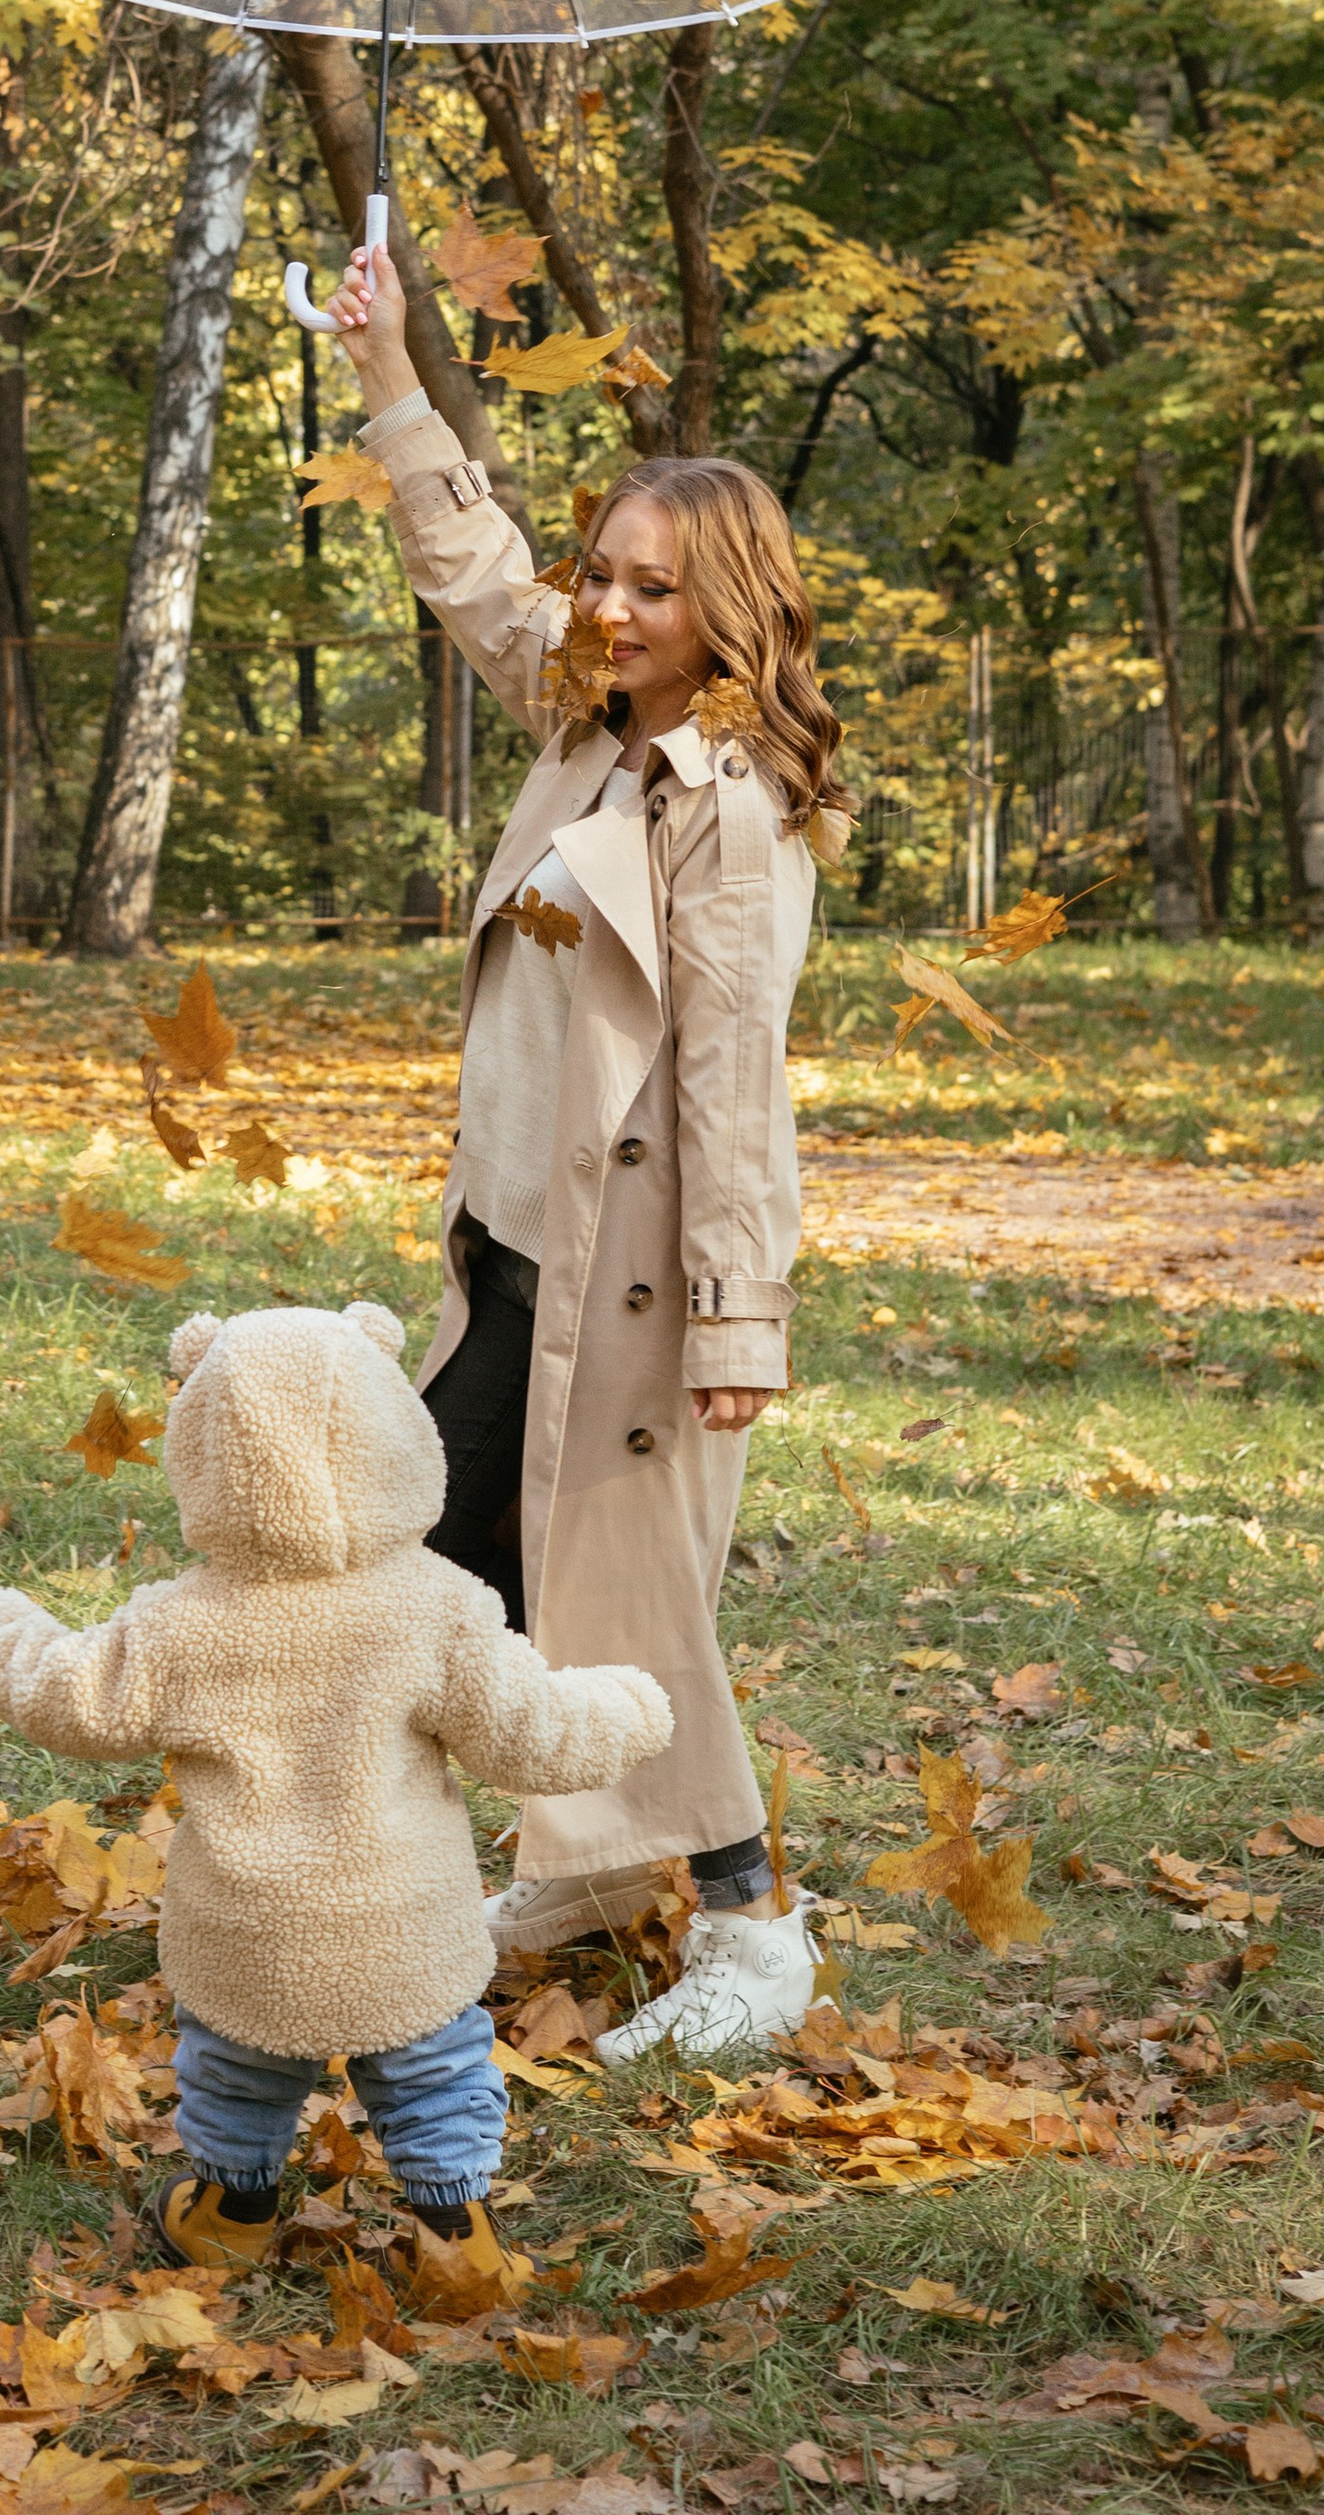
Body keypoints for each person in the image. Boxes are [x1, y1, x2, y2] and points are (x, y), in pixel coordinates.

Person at [323, 238, 852, 2063]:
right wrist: (395, 364)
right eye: (603, 572)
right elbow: (476, 572)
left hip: (635, 1279)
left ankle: (748, 1926)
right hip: (510, 1246)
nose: (610, 608)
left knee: (612, 1601)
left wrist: (733, 1318)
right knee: (472, 1565)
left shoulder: (730, 807)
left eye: (653, 588)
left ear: (730, 614)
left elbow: (732, 1076)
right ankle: (574, 1867)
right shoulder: (591, 726)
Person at [0, 1297, 672, 2280]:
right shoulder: (437, 1609)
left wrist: (0, 1632)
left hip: (249, 1932)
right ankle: (455, 2234)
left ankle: (232, 2213)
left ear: (207, 1450)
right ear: (395, 1436)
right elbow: (529, 1736)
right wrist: (628, 1705)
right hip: (402, 1927)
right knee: (433, 2074)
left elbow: (72, 1701)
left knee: (236, 2071)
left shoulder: (183, 1624)